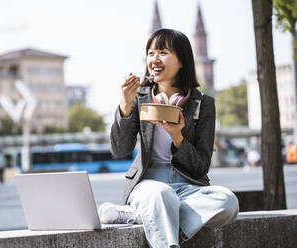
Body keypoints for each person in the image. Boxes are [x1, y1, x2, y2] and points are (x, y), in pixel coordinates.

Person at [98, 29, 239, 248]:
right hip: (148, 184)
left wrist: (178, 138)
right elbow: (120, 150)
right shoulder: (139, 98)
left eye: (163, 52)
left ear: (182, 60)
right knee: (160, 194)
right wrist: (125, 107)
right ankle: (156, 218)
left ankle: (141, 216)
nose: (154, 59)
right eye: (151, 53)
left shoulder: (204, 103)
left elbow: (201, 167)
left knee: (227, 201)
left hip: (189, 187)